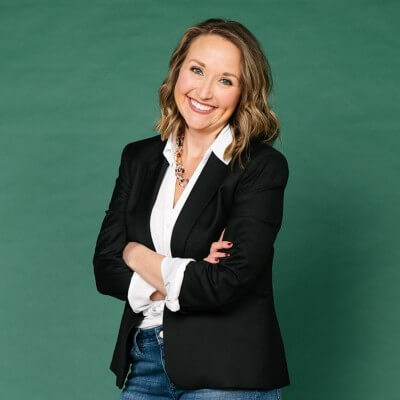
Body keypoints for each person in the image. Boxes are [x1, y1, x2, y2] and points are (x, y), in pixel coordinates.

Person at [93, 18, 290, 400]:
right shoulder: (139, 158)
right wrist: (189, 268)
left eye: (225, 80)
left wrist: (134, 253)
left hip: (227, 369)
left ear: (244, 92)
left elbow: (227, 283)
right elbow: (105, 266)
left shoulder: (261, 167)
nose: (204, 91)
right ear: (177, 72)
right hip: (144, 361)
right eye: (197, 70)